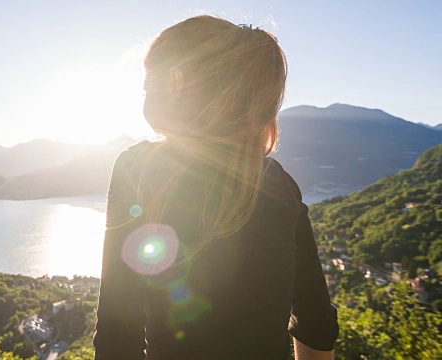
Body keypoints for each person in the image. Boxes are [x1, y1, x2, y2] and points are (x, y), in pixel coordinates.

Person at [93, 15, 338, 359]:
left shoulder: (139, 168)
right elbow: (315, 324)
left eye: (147, 86)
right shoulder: (278, 183)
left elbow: (118, 333)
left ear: (175, 81)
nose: (144, 97)